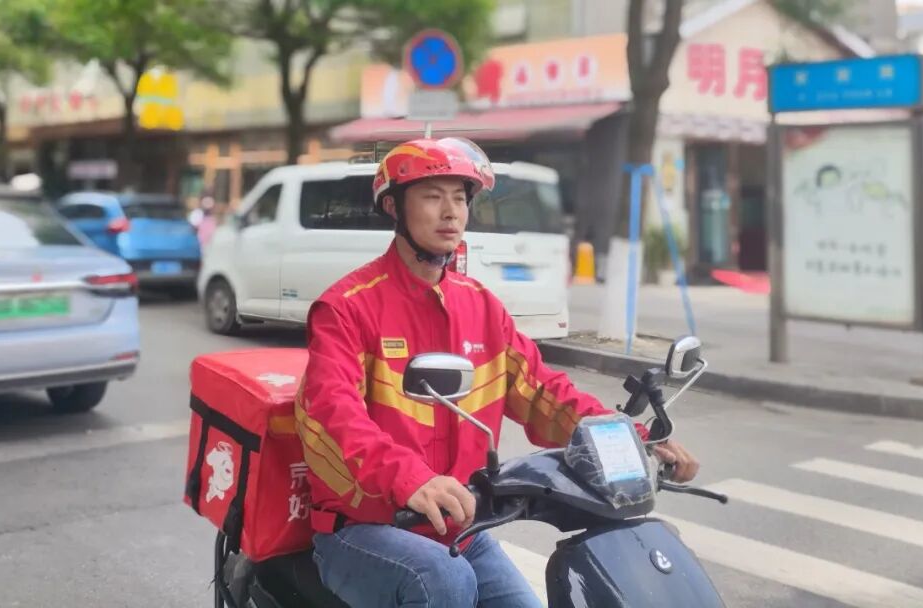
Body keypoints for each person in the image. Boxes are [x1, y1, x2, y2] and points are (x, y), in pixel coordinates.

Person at [295, 138, 699, 608]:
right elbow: (335, 414)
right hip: (364, 528)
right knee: (444, 581)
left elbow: (544, 392)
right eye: (432, 196)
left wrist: (633, 438)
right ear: (393, 207)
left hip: (458, 526)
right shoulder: (347, 308)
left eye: (460, 198)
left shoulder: (481, 307)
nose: (451, 212)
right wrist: (410, 479)